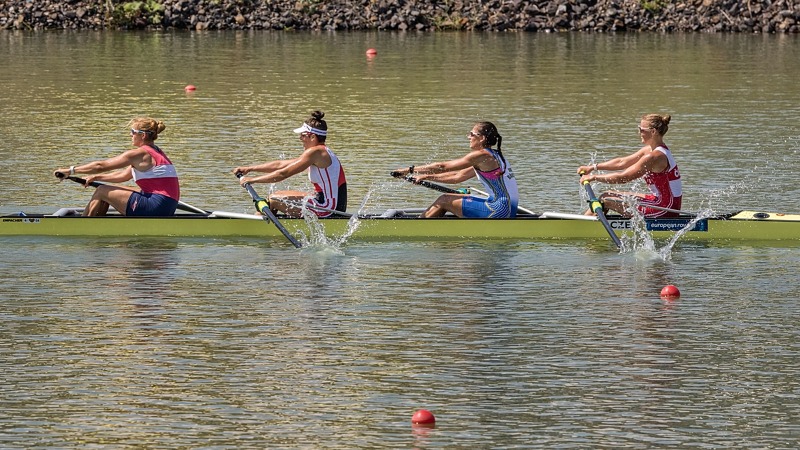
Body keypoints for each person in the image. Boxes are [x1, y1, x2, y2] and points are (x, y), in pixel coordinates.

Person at [53, 117, 180, 216]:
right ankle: (97, 220)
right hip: (168, 206)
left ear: (143, 135)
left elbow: (100, 165)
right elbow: (123, 176)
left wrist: (70, 170)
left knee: (101, 190)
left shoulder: (139, 154)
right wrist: (95, 177)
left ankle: (83, 225)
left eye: (133, 132)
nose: (130, 135)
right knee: (112, 189)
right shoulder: (157, 152)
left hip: (156, 207)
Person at [393, 121, 519, 218]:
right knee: (455, 196)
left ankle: (418, 226)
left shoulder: (481, 156)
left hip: (499, 210)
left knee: (444, 200)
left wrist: (409, 170)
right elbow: (457, 177)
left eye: (472, 134)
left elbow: (443, 167)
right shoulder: (494, 156)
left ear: (482, 138)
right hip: (507, 208)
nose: (468, 137)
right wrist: (426, 177)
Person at [234, 110, 347, 218]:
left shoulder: (316, 152)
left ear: (313, 137)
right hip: (324, 202)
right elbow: (280, 165)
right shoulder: (320, 153)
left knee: (274, 200)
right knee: (277, 195)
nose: (300, 138)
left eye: (303, 135)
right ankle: (262, 222)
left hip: (328, 208)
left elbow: (283, 174)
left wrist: (252, 180)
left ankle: (258, 225)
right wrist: (250, 168)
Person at [577, 113, 682, 218]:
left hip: (666, 208)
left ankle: (581, 225)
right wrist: (593, 167)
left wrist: (593, 177)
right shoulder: (651, 150)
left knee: (605, 199)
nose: (639, 133)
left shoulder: (655, 156)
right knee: (609, 194)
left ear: (653, 132)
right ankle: (585, 222)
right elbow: (622, 162)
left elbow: (623, 178)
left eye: (641, 130)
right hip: (661, 201)